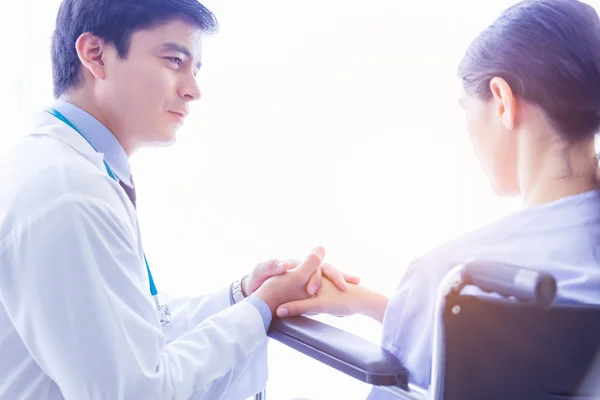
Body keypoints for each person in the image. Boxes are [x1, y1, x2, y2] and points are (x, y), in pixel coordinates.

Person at [0, 1, 359, 399]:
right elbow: (135, 392)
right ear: (95, 55)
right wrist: (261, 309)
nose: (193, 89)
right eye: (174, 60)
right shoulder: (68, 193)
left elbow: (139, 328)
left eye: (196, 69)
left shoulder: (64, 161)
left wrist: (243, 294)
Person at [276, 0, 600, 396]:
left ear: (502, 100)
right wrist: (374, 304)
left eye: (467, 109)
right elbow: (530, 348)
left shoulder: (452, 273)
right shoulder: (555, 269)